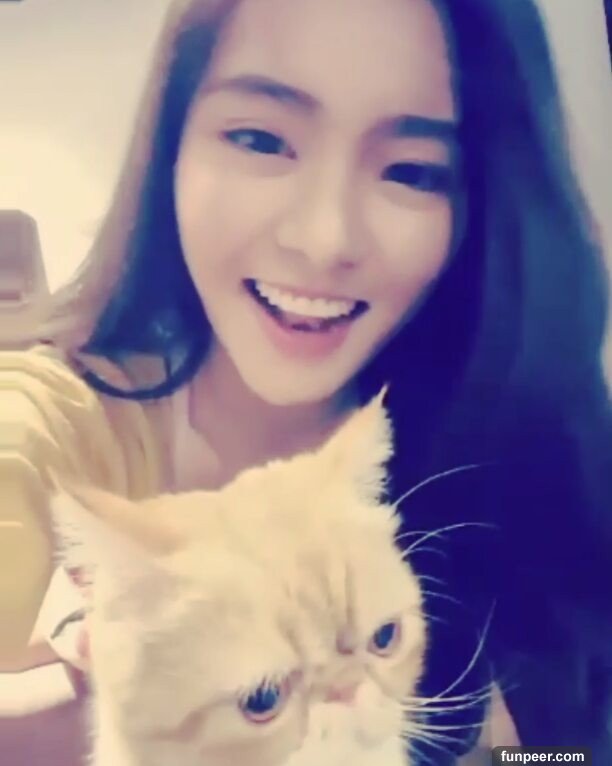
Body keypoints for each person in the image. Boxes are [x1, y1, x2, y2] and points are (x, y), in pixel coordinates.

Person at [3, 0, 612, 763]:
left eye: (411, 171)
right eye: (262, 140)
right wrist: (103, 692)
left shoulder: (514, 444)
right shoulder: (44, 427)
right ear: (172, 148)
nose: (325, 240)